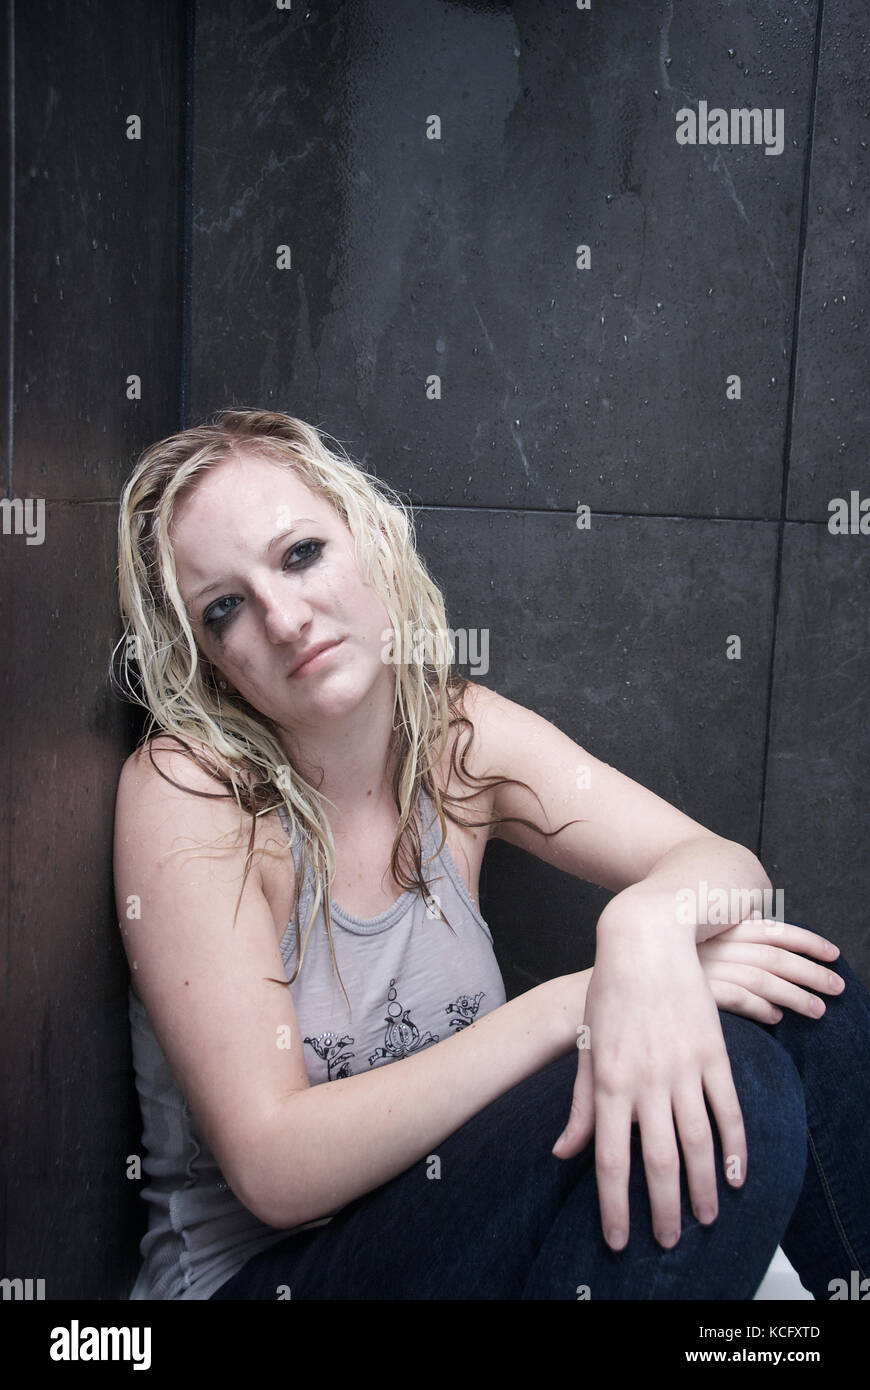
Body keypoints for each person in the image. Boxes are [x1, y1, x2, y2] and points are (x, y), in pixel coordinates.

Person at [112, 408, 870, 1301]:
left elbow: (720, 865)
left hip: (461, 1226)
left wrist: (644, 929)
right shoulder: (187, 790)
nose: (282, 618)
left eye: (301, 553)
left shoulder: (455, 739)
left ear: (371, 541)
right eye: (226, 608)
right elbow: (274, 1167)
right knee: (732, 1071)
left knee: (799, 994)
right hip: (270, 1278)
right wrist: (581, 1001)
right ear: (204, 656)